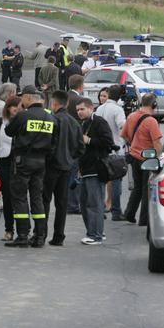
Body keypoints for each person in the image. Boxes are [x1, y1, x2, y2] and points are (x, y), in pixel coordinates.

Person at [4, 85, 58, 248]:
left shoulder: (23, 116)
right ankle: (39, 236)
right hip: (41, 162)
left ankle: (22, 235)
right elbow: (54, 142)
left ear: (27, 98)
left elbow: (8, 131)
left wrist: (20, 112)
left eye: (22, 98)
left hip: (23, 161)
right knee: (37, 198)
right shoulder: (50, 118)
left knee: (19, 197)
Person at [42, 91, 85, 246]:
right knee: (62, 203)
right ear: (67, 104)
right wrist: (70, 158)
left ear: (54, 104)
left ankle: (41, 234)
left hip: (51, 167)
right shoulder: (75, 123)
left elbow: (47, 144)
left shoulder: (52, 120)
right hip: (67, 167)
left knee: (44, 200)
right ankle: (59, 236)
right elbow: (81, 148)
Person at [76, 97, 113, 245]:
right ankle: (96, 232)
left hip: (96, 169)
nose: (79, 112)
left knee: (94, 203)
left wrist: (90, 140)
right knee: (85, 203)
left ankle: (95, 235)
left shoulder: (99, 122)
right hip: (85, 169)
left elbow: (108, 143)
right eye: (77, 110)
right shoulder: (83, 124)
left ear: (91, 108)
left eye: (82, 109)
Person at [121, 93, 163, 227]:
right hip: (147, 159)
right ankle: (144, 220)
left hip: (134, 157)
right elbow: (157, 144)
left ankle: (129, 213)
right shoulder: (151, 121)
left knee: (137, 187)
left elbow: (125, 136)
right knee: (147, 190)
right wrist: (159, 157)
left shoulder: (131, 116)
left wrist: (135, 144)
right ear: (154, 104)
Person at [0, 96, 22, 242]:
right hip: (4, 162)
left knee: (20, 198)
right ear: (7, 107)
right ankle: (9, 230)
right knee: (7, 198)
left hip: (20, 162)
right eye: (13, 105)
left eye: (19, 106)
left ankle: (23, 230)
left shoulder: (24, 121)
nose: (16, 108)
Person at [95, 85, 127, 221]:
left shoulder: (99, 109)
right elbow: (123, 127)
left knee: (101, 180)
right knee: (115, 182)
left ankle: (100, 208)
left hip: (101, 149)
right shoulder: (118, 110)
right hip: (116, 149)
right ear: (119, 97)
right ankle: (116, 211)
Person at [66, 74, 85, 214]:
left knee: (66, 173)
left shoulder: (64, 97)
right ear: (80, 86)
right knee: (74, 173)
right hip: (75, 141)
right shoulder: (80, 100)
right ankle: (73, 204)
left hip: (63, 141)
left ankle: (67, 203)